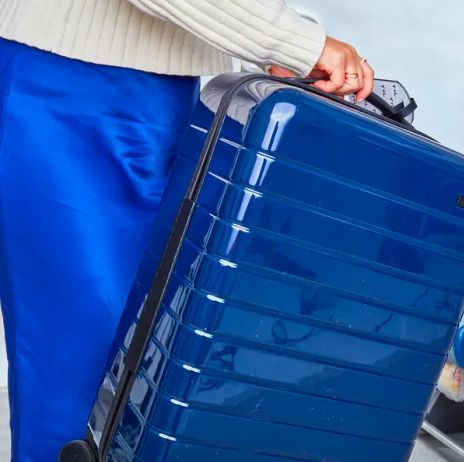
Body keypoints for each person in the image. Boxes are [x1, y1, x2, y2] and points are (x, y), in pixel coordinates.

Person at [0, 1, 374, 460]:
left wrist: (273, 39)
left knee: (150, 370)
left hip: (164, 93)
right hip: (65, 92)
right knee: (79, 374)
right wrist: (297, 42)